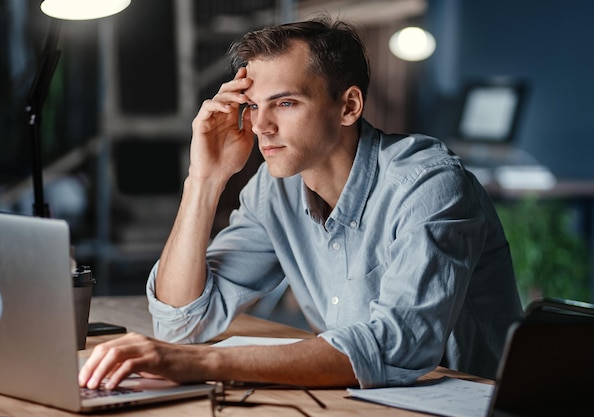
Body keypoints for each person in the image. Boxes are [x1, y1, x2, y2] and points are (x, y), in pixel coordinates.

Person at [79, 17, 522, 391]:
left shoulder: (428, 184)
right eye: (252, 106)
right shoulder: (275, 190)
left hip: (469, 403)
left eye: (286, 103)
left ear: (348, 106)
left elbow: (397, 345)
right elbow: (182, 322)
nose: (262, 127)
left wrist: (203, 365)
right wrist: (204, 180)